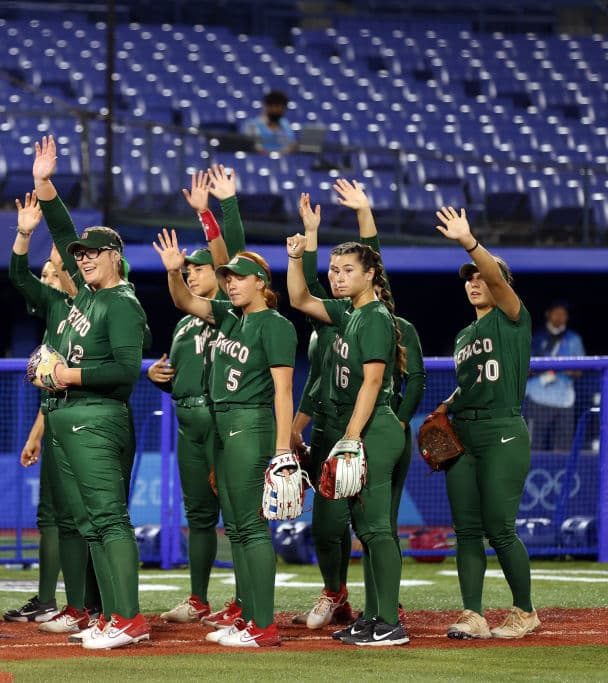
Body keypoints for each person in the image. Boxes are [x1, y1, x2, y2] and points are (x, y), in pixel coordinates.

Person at [33, 135, 151, 650]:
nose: (81, 259)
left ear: (116, 257)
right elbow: (60, 232)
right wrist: (44, 185)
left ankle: (129, 618)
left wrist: (67, 376)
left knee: (108, 518)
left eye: (92, 253)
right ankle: (108, 613)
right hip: (71, 417)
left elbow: (127, 369)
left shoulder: (121, 301)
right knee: (89, 521)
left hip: (98, 416)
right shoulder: (88, 294)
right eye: (78, 254)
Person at [291, 180, 424, 632]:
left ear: (370, 275)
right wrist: (298, 253)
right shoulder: (351, 313)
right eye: (334, 269)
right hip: (357, 428)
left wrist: (350, 436)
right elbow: (300, 298)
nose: (337, 276)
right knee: (368, 530)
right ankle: (374, 616)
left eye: (347, 269)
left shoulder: (375, 315)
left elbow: (371, 382)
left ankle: (388, 620)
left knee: (377, 529)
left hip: (372, 428)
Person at [155, 229, 295, 648]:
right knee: (235, 527)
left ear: (261, 284)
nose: (230, 282)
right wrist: (173, 272)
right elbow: (183, 300)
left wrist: (283, 448)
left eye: (238, 277)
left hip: (250, 426)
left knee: (251, 528)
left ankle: (264, 625)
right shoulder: (231, 317)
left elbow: (284, 392)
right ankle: (249, 616)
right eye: (227, 277)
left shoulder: (275, 325)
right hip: (223, 426)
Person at [430, 207, 540, 640]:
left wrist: (469, 242)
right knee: (467, 531)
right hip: (466, 433)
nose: (474, 282)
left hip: (502, 430)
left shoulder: (513, 318)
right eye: (468, 278)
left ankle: (525, 611)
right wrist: (446, 405)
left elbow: (495, 277)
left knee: (499, 526)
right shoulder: (463, 336)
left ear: (499, 283)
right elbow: (469, 382)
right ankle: (473, 613)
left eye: (481, 276)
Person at [148, 169, 249, 626]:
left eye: (199, 267)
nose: (191, 273)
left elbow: (234, 255)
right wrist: (158, 375)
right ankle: (199, 598)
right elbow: (178, 371)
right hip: (187, 421)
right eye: (187, 269)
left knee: (238, 514)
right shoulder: (187, 321)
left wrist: (212, 211)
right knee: (199, 513)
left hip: (222, 420)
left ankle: (247, 600)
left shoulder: (228, 313)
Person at [5, 193, 70, 627]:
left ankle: (92, 605)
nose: (45, 278)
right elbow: (17, 274)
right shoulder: (55, 312)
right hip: (58, 416)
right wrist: (35, 432)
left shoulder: (99, 306)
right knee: (48, 514)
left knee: (85, 517)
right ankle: (48, 598)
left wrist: (46, 192)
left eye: (52, 270)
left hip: (93, 423)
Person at [525, 300, 585, 452]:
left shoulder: (573, 339)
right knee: (533, 449)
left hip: (564, 402)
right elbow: (524, 368)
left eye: (563, 314)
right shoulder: (535, 338)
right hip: (537, 400)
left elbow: (580, 371)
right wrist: (545, 368)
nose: (560, 317)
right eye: (556, 313)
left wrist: (566, 369)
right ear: (548, 314)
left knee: (563, 451)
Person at [243, 90, 296, 155]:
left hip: (284, 161)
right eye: (276, 106)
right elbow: (255, 148)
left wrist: (280, 155)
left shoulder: (286, 124)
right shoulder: (251, 125)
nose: (279, 110)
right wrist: (274, 156)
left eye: (282, 107)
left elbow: (291, 145)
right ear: (266, 106)